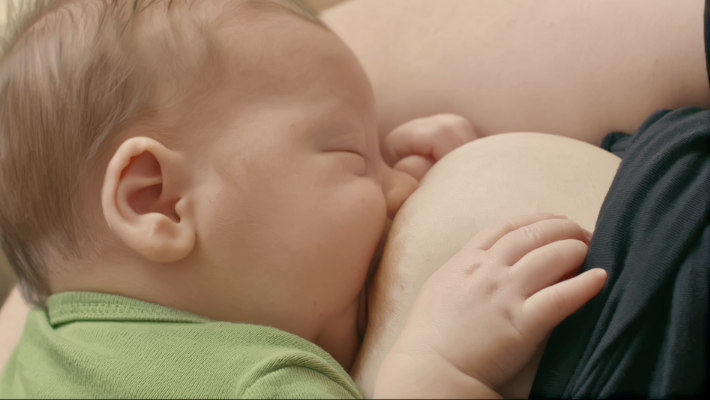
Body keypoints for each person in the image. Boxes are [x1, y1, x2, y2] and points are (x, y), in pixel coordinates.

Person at [0, 0, 604, 397]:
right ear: (157, 200)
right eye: (348, 154)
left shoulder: (31, 364)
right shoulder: (260, 382)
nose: (401, 190)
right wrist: (437, 368)